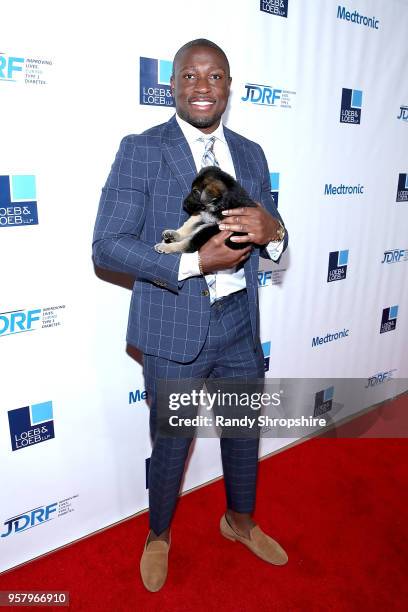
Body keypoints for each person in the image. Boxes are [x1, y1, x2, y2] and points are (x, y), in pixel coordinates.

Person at [92, 38, 289, 592]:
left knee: (243, 433)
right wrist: (193, 261)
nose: (203, 86)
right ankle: (158, 534)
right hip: (173, 326)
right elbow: (108, 244)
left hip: (240, 323)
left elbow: (271, 228)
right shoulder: (141, 148)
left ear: (229, 86)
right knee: (172, 442)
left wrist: (276, 234)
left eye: (216, 76)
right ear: (173, 84)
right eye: (191, 76)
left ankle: (240, 521)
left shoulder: (250, 152)